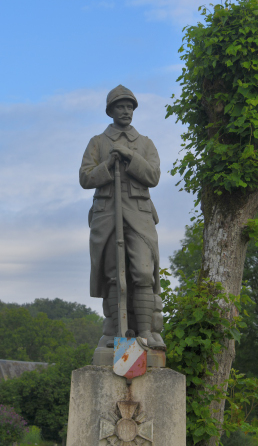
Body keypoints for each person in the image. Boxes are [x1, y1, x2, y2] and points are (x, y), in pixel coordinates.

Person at [79, 85, 165, 350]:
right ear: (110, 111)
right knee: (114, 274)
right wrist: (107, 165)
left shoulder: (145, 143)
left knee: (142, 271)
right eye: (120, 106)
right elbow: (85, 177)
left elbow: (153, 176)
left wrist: (130, 156)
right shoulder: (97, 142)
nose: (125, 111)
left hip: (139, 215)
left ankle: (147, 333)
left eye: (129, 107)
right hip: (107, 215)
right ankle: (116, 333)